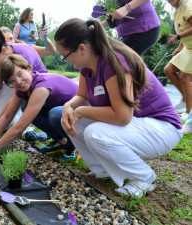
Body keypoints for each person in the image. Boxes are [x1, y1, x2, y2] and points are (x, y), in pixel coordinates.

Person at [54, 18, 183, 198]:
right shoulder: (87, 63)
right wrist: (69, 106)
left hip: (162, 129)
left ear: (82, 48)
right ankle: (102, 170)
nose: (65, 60)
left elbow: (122, 117)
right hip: (140, 123)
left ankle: (144, 178)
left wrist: (81, 111)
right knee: (73, 119)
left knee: (95, 132)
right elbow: (82, 96)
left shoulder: (115, 63)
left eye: (65, 55)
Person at [0, 54, 79, 163]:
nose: (18, 81)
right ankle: (64, 143)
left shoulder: (41, 87)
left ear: (29, 69)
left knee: (54, 115)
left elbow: (19, 128)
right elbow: (7, 116)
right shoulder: (21, 89)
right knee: (25, 106)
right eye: (12, 81)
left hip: (82, 112)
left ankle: (76, 145)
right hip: (64, 110)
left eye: (20, 74)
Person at [164, 0, 192, 114]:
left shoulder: (188, 5)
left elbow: (181, 33)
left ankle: (189, 112)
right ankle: (186, 99)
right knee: (169, 70)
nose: (169, 1)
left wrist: (178, 37)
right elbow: (184, 27)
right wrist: (180, 46)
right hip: (188, 47)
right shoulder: (177, 9)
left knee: (184, 77)